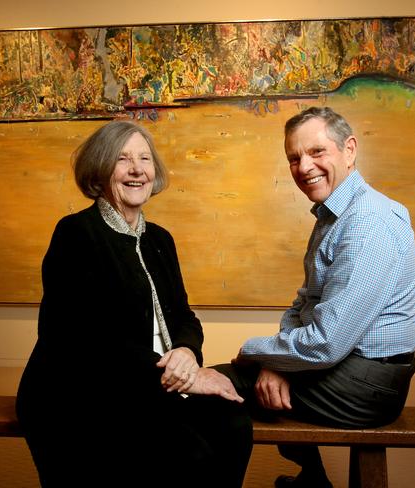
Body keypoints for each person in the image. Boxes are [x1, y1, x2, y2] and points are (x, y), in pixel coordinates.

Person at [16, 120, 253, 488]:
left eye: (144, 158)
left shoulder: (160, 239)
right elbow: (85, 340)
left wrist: (188, 353)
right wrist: (183, 374)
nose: (137, 169)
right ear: (100, 167)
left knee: (234, 423)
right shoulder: (76, 234)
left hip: (148, 383)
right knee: (188, 455)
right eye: (123, 159)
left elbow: (183, 315)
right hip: (83, 393)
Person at [215, 106, 415, 488]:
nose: (304, 166)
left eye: (316, 152)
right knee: (267, 376)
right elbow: (303, 303)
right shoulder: (334, 216)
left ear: (350, 150)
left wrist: (256, 353)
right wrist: (279, 361)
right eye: (294, 157)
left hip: (369, 383)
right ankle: (314, 480)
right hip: (349, 368)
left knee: (214, 387)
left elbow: (326, 342)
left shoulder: (367, 222)